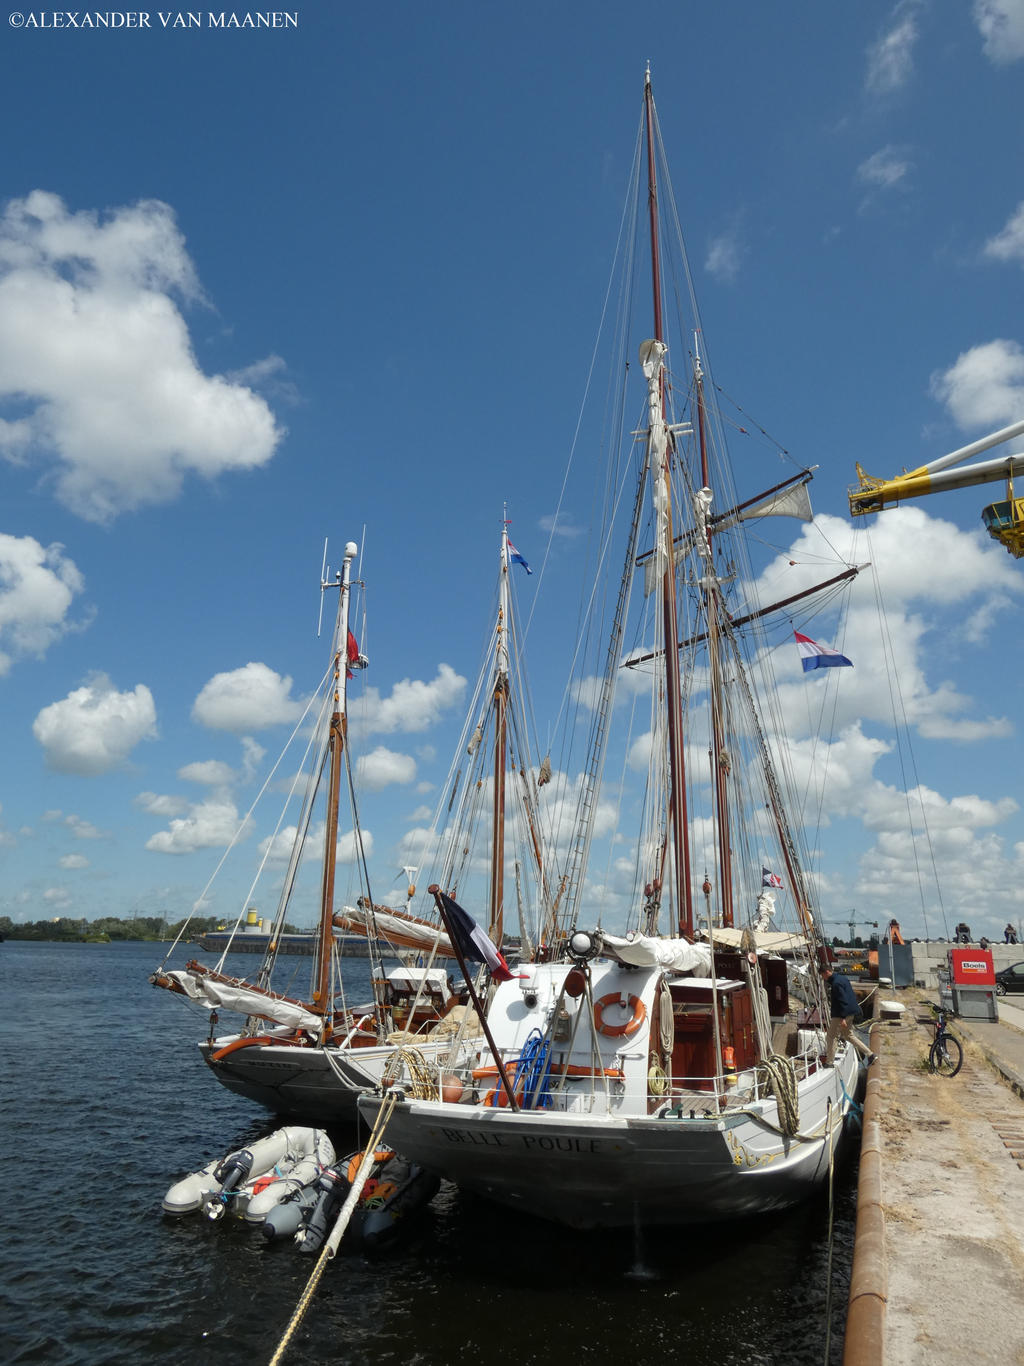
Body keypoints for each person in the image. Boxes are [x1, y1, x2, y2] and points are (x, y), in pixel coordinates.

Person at [823, 964, 876, 1067]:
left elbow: (842, 1001)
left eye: (822, 975)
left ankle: (829, 1062)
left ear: (827, 973)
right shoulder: (843, 979)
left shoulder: (836, 984)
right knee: (848, 1035)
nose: (823, 978)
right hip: (850, 1012)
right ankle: (870, 1054)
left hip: (841, 1014)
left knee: (831, 1036)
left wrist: (842, 1018)